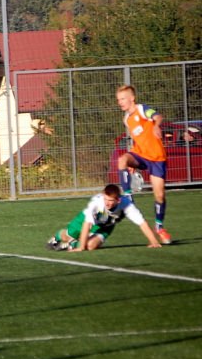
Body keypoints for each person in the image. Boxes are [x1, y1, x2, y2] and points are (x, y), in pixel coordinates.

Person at [115, 85, 172, 244]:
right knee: (122, 160)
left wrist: (155, 125)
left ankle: (159, 227)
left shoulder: (142, 109)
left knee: (160, 195)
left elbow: (157, 116)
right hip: (140, 154)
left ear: (132, 98)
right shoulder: (126, 119)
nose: (120, 102)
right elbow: (137, 138)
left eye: (123, 99)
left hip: (157, 158)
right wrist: (133, 158)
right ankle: (128, 197)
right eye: (118, 100)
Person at [47, 184, 161, 251]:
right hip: (85, 220)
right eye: (106, 199)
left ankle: (72, 245)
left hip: (106, 226)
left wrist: (154, 241)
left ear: (118, 200)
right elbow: (87, 223)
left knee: (91, 246)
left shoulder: (126, 205)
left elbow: (142, 223)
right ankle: (57, 238)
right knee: (67, 236)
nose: (107, 203)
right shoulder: (97, 203)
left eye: (111, 200)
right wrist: (81, 247)